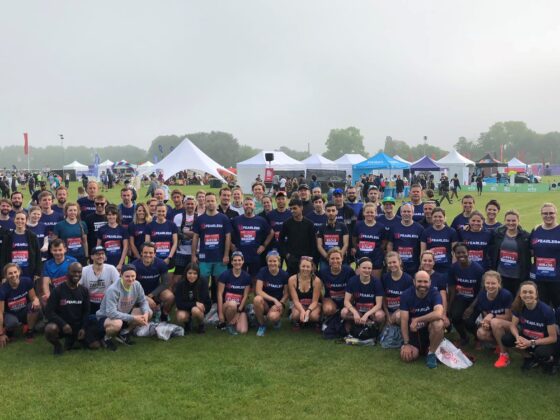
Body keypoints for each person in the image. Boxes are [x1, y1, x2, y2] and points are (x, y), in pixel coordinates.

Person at [501, 281, 558, 373]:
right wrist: (517, 337)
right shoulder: (518, 306)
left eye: (531, 292)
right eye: (524, 292)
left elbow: (553, 338)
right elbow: (512, 326)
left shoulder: (546, 311)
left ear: (536, 294)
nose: (527, 295)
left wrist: (531, 343)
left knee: (541, 353)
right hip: (527, 338)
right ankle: (528, 357)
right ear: (520, 294)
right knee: (506, 339)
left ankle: (551, 361)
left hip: (544, 341)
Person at [96, 264, 152, 351]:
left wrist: (145, 314)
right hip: (106, 317)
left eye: (133, 276)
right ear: (121, 275)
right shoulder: (113, 289)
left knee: (149, 312)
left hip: (124, 314)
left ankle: (124, 333)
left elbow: (143, 301)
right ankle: (106, 338)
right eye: (127, 276)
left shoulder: (137, 284)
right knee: (117, 323)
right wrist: (134, 318)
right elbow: (111, 313)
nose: (130, 279)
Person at [464, 271, 513, 368]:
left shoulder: (506, 295)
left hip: (508, 326)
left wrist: (492, 316)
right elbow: (485, 314)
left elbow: (509, 317)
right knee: (481, 333)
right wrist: (486, 323)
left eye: (493, 283)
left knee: (494, 322)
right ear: (484, 284)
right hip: (494, 324)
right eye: (488, 283)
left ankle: (504, 355)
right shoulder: (482, 296)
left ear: (499, 283)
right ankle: (499, 345)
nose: (490, 286)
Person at [399, 271, 445, 369]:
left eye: (425, 281)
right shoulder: (406, 295)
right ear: (414, 282)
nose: (422, 284)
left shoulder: (435, 294)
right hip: (414, 332)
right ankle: (422, 349)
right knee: (407, 357)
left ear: (430, 282)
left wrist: (417, 320)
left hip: (429, 331)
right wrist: (406, 344)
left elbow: (439, 313)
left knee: (438, 323)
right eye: (419, 281)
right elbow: (404, 321)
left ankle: (431, 353)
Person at [192, 192, 232, 301]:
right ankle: (204, 304)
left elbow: (228, 237)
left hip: (220, 257)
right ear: (204, 202)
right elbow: (195, 238)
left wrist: (226, 255)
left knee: (220, 283)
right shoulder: (200, 219)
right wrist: (193, 255)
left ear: (216, 202)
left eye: (212, 201)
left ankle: (219, 305)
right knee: (203, 282)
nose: (210, 203)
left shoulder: (224, 218)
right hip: (204, 258)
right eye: (208, 201)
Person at [44, 262, 90, 355]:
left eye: (79, 272)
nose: (77, 274)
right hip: (63, 326)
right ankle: (58, 346)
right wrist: (63, 324)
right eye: (74, 272)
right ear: (67, 272)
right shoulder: (57, 290)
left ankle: (73, 340)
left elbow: (86, 311)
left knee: (94, 345)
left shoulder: (84, 291)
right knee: (50, 329)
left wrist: (83, 328)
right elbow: (49, 312)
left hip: (77, 326)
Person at [448, 242, 485, 346]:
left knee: (469, 322)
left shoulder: (478, 269)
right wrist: (449, 307)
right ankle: (464, 337)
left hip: (476, 299)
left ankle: (478, 338)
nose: (461, 255)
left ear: (468, 252)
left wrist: (471, 307)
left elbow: (482, 290)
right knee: (455, 316)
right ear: (454, 254)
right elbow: (452, 289)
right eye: (458, 253)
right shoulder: (453, 268)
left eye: (463, 252)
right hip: (461, 298)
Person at [489, 209, 531, 295]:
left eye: (513, 220)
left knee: (517, 300)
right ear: (504, 221)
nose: (511, 223)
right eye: (508, 220)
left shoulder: (525, 236)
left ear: (518, 221)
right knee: (503, 298)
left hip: (518, 277)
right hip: (501, 275)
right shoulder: (498, 234)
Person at [231, 196, 274, 278]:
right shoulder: (236, 220)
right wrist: (231, 245)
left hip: (255, 255)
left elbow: (271, 232)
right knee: (240, 277)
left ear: (254, 206)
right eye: (246, 204)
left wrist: (264, 245)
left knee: (255, 278)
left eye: (251, 204)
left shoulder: (261, 220)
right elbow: (228, 233)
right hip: (240, 255)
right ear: (243, 206)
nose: (248, 206)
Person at [0, 264, 40, 347]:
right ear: (6, 276)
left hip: (24, 310)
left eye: (15, 272)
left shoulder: (27, 281)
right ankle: (9, 332)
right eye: (10, 273)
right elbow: (0, 312)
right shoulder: (2, 289)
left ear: (19, 272)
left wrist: (36, 300)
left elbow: (33, 297)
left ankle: (30, 331)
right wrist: (1, 334)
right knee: (12, 323)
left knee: (34, 306)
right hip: (11, 314)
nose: (13, 275)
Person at [341, 257, 385, 334]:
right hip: (358, 309)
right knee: (344, 312)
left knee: (380, 316)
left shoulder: (377, 282)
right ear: (358, 268)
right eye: (364, 268)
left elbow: (378, 305)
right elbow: (346, 301)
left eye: (369, 268)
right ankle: (354, 324)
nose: (367, 270)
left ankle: (374, 329)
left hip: (371, 311)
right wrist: (355, 313)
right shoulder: (352, 281)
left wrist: (367, 315)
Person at [132, 242, 174, 321]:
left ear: (155, 254)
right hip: (140, 293)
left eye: (151, 253)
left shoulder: (161, 263)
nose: (148, 255)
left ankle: (164, 314)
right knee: (150, 304)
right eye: (145, 252)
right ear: (141, 253)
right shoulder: (134, 265)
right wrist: (145, 297)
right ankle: (154, 313)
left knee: (170, 297)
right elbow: (131, 286)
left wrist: (152, 294)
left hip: (155, 291)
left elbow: (165, 283)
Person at [529, 203, 560, 307]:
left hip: (557, 279)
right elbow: (530, 251)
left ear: (556, 214)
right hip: (539, 278)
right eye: (545, 213)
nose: (548, 216)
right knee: (542, 307)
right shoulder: (536, 230)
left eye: (551, 213)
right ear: (541, 214)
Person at [253, 251, 289, 336]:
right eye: (270, 261)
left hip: (278, 304)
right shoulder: (262, 271)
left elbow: (287, 294)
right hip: (265, 302)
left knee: (272, 317)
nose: (272, 263)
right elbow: (258, 291)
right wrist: (274, 300)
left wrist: (280, 303)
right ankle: (262, 325)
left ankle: (276, 320)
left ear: (279, 262)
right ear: (267, 262)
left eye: (274, 261)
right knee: (257, 299)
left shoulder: (284, 274)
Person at [279, 198, 317, 275]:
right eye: (291, 209)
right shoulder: (287, 223)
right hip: (292, 258)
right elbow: (280, 240)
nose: (292, 211)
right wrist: (286, 254)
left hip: (306, 258)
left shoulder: (309, 224)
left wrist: (312, 258)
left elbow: (313, 243)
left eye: (295, 208)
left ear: (301, 208)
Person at [217, 251, 251, 335]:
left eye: (239, 260)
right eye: (235, 260)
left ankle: (233, 322)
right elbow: (219, 294)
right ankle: (229, 325)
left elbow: (245, 296)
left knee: (242, 330)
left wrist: (239, 312)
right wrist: (220, 313)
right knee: (232, 304)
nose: (237, 262)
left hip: (239, 308)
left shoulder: (247, 277)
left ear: (243, 261)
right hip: (227, 306)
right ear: (231, 262)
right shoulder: (224, 275)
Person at [1, 211, 41, 280]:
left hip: (28, 272)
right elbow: (3, 256)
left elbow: (38, 255)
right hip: (12, 273)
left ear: (26, 220)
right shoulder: (8, 236)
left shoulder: (32, 236)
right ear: (14, 220)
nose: (20, 221)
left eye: (22, 219)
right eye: (17, 218)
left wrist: (37, 273)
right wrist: (3, 275)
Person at [352, 203, 388, 279]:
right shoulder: (358, 225)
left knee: (375, 281)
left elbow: (384, 243)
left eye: (372, 212)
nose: (369, 214)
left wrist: (376, 251)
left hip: (376, 258)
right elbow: (354, 240)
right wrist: (358, 249)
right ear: (363, 213)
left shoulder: (381, 227)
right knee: (360, 280)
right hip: (362, 257)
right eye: (367, 212)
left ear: (376, 213)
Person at [174, 262, 211, 334]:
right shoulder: (180, 283)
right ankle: (188, 323)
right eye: (190, 273)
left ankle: (201, 324)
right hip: (189, 305)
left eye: (195, 273)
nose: (192, 276)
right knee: (180, 316)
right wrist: (195, 303)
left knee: (195, 310)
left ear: (198, 274)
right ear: (186, 273)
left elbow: (202, 301)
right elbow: (179, 304)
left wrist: (195, 304)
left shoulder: (203, 281)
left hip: (202, 306)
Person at [389, 202, 424, 275]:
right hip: (397, 266)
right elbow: (390, 245)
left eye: (409, 211)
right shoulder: (394, 227)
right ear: (400, 213)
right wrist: (389, 260)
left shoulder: (420, 228)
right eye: (404, 211)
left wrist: (421, 263)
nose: (406, 213)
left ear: (413, 213)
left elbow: (422, 248)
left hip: (414, 266)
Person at [288, 256, 322, 331]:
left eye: (308, 267)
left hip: (313, 305)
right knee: (295, 315)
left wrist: (308, 311)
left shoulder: (316, 281)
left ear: (312, 268)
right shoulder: (292, 280)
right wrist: (302, 311)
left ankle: (316, 321)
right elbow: (295, 301)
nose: (305, 269)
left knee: (314, 316)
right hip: (300, 304)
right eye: (303, 266)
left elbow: (315, 301)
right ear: (299, 266)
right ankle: (298, 321)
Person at [420, 207, 458, 274]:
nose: (437, 219)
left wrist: (453, 267)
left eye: (440, 217)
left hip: (447, 268)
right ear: (432, 218)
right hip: (431, 268)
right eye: (435, 217)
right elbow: (423, 251)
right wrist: (422, 266)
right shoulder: (426, 232)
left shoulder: (452, 232)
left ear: (444, 218)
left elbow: (455, 252)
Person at [40, 239, 78, 306]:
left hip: (72, 294)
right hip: (57, 295)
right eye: (55, 250)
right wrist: (48, 297)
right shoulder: (47, 264)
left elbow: (78, 281)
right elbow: (45, 284)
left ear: (65, 249)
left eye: (60, 250)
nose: (57, 252)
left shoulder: (73, 261)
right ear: (51, 250)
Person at [419, 250, 450, 328]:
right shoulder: (416, 276)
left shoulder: (440, 277)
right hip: (420, 310)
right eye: (425, 260)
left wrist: (444, 315)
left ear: (434, 262)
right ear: (421, 261)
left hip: (435, 310)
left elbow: (443, 297)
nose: (427, 263)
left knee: (438, 325)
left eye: (430, 261)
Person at [382, 252, 413, 326]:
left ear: (400, 262)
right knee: (380, 316)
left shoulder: (408, 279)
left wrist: (395, 313)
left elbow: (409, 301)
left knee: (398, 316)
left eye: (394, 262)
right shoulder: (384, 277)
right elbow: (383, 298)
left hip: (401, 310)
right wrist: (387, 314)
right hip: (388, 310)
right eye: (389, 263)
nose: (392, 265)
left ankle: (402, 331)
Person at [96, 205, 129, 271]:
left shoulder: (123, 229)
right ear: (106, 216)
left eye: (113, 215)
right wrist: (101, 260)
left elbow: (125, 247)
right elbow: (98, 247)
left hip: (118, 263)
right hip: (105, 263)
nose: (111, 217)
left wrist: (120, 264)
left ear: (117, 215)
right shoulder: (101, 229)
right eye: (109, 215)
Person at [145, 203, 178, 268]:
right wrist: (154, 257)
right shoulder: (149, 225)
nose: (161, 213)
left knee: (167, 274)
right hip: (154, 258)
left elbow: (175, 243)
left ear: (166, 212)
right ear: (155, 212)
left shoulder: (172, 225)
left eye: (163, 211)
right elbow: (147, 243)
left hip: (169, 258)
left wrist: (169, 257)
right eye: (159, 211)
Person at [172, 195, 196, 285]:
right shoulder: (178, 216)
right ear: (184, 204)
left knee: (194, 277)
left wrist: (185, 232)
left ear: (195, 204)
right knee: (177, 278)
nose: (190, 206)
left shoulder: (200, 216)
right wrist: (193, 234)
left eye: (192, 204)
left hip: (195, 252)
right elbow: (177, 233)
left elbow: (200, 234)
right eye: (188, 204)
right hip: (181, 252)